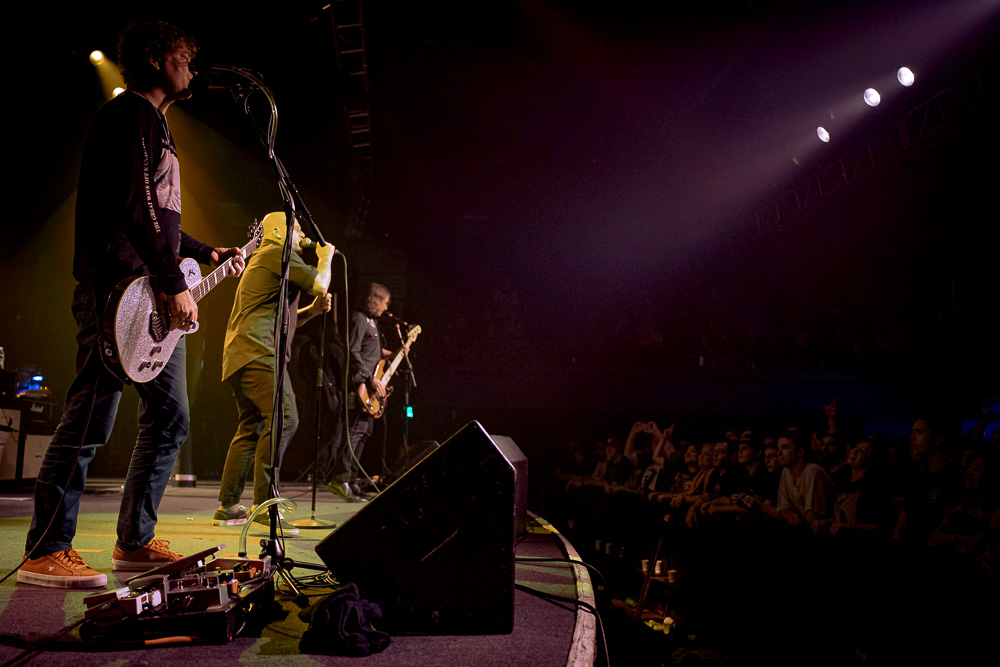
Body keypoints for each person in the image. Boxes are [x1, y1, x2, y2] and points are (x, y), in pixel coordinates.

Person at [18, 21, 245, 588]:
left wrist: (202, 251)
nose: (192, 65)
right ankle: (45, 550)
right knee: (91, 415)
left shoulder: (158, 126)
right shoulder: (131, 115)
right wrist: (175, 284)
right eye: (184, 55)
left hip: (149, 293)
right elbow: (136, 210)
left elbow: (159, 218)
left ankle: (135, 543)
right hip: (117, 290)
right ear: (154, 58)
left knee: (170, 416)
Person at [213, 212, 333, 534]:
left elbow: (277, 317)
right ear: (280, 231)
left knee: (252, 426)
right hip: (258, 352)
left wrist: (311, 312)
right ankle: (265, 505)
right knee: (285, 417)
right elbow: (320, 283)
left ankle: (228, 506)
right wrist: (326, 258)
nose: (301, 236)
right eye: (297, 229)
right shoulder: (278, 254)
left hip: (241, 355)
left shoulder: (266, 260)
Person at [327, 283, 392, 502]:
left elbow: (371, 351)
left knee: (364, 433)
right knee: (353, 432)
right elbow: (352, 350)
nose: (386, 307)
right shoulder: (358, 319)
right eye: (384, 302)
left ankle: (351, 480)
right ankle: (340, 479)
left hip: (369, 387)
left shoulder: (373, 323)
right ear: (375, 300)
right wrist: (369, 378)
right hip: (359, 385)